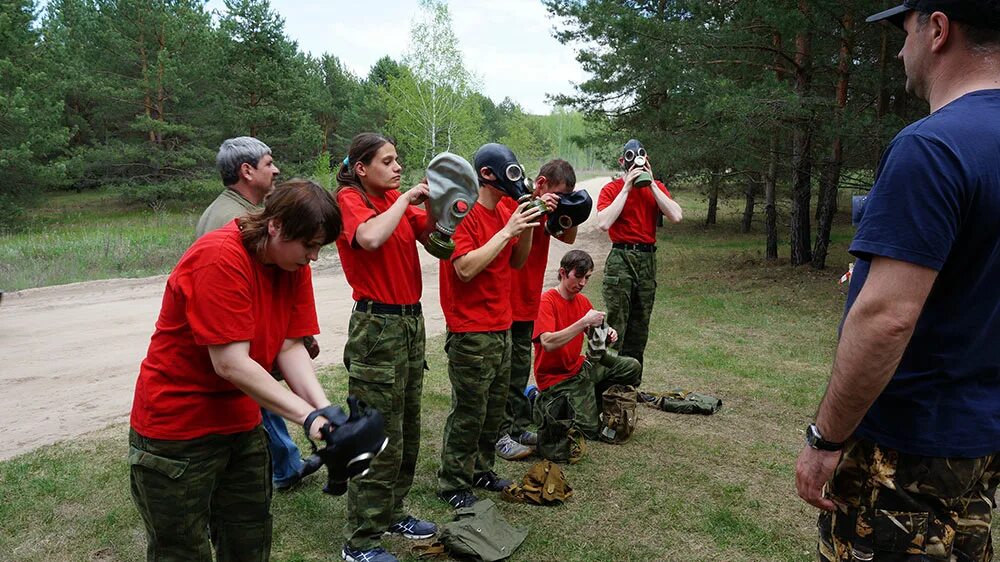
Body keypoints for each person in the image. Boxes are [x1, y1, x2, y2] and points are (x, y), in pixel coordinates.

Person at [795, 3, 1000, 560]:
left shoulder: (932, 148)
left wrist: (826, 439)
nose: (901, 50)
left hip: (905, 453)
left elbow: (886, 318)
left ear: (937, 29)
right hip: (981, 443)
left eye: (903, 31)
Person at [129, 179, 342, 561]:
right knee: (181, 550)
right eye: (309, 245)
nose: (313, 257)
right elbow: (230, 362)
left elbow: (290, 344)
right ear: (275, 224)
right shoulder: (219, 257)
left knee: (249, 537)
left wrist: (323, 409)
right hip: (177, 429)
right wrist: (306, 416)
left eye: (319, 248)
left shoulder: (291, 264)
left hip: (241, 423)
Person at [334, 133, 437, 562]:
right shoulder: (350, 199)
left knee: (407, 427)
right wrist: (405, 198)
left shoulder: (396, 200)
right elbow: (370, 238)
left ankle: (392, 511)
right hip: (377, 325)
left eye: (398, 160)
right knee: (377, 432)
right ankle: (360, 541)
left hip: (410, 323)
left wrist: (436, 204)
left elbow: (435, 242)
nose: (397, 168)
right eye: (388, 161)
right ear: (362, 168)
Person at [196, 136, 320, 491]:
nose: (276, 169)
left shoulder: (227, 209)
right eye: (268, 163)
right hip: (238, 340)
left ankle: (284, 462)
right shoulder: (237, 221)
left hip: (243, 339)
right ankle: (284, 465)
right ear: (246, 171)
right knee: (260, 394)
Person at [437, 143, 544, 509]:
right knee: (468, 412)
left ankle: (481, 469)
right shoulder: (460, 212)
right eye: (509, 172)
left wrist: (525, 221)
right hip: (470, 330)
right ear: (487, 174)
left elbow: (517, 261)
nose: (515, 179)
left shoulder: (503, 210)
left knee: (492, 410)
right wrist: (506, 230)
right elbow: (464, 268)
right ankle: (452, 482)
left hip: (502, 326)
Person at [495, 159, 579, 461]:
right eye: (558, 193)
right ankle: (500, 433)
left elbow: (567, 237)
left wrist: (571, 209)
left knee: (519, 371)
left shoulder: (551, 209)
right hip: (506, 301)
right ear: (541, 183)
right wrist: (537, 204)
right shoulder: (511, 202)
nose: (559, 200)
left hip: (529, 301)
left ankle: (517, 427)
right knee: (503, 375)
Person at [532, 250, 641, 439]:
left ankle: (589, 400)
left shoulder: (581, 301)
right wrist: (584, 322)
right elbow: (547, 342)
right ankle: (538, 401)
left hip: (580, 369)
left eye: (587, 278)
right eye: (579, 276)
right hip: (556, 380)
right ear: (563, 272)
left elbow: (594, 332)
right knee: (588, 430)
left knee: (632, 367)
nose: (582, 283)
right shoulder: (546, 301)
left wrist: (607, 334)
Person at [596, 140, 682, 368]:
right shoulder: (612, 189)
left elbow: (676, 215)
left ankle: (629, 386)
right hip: (621, 258)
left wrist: (651, 184)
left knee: (640, 325)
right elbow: (604, 222)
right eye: (630, 157)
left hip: (647, 260)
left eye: (641, 156)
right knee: (615, 323)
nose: (636, 160)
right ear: (622, 161)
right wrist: (627, 187)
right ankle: (605, 382)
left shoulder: (656, 188)